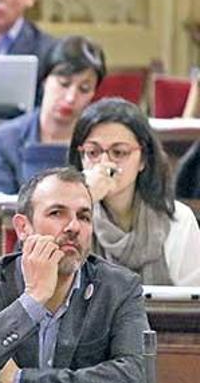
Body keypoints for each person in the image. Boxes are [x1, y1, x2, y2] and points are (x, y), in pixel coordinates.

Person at [0, 167, 148, 383]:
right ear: (23, 228)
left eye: (84, 217)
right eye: (57, 213)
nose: (74, 227)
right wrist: (32, 300)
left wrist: (20, 380)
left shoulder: (120, 289)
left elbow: (135, 378)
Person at [68, 98, 200, 286]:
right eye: (92, 152)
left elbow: (191, 304)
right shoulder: (68, 221)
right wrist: (82, 200)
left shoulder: (179, 220)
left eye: (119, 152)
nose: (105, 163)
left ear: (143, 160)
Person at [0, 36, 106, 194]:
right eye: (64, 84)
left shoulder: (103, 144)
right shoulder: (3, 140)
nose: (70, 97)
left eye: (84, 89)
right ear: (45, 80)